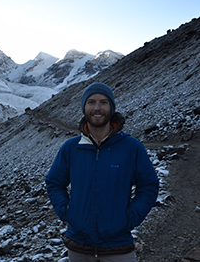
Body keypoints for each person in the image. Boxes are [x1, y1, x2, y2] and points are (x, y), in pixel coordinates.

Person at [45, 82, 159, 262]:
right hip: (78, 246)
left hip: (118, 247)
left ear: (111, 107)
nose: (97, 108)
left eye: (103, 102)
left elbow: (149, 185)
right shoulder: (71, 148)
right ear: (84, 107)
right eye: (91, 102)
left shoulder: (131, 148)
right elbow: (54, 182)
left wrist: (130, 217)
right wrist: (66, 211)